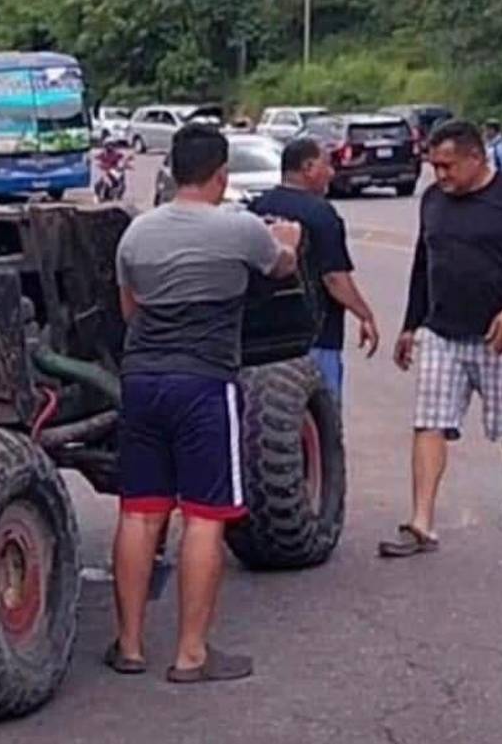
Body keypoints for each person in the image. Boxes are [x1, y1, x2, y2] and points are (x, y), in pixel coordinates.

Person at [107, 123, 301, 681]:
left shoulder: (136, 234)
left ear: (171, 169)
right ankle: (192, 653)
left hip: (141, 381)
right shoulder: (239, 229)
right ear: (221, 175)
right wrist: (289, 239)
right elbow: (280, 267)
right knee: (204, 516)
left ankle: (130, 645)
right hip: (204, 384)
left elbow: (129, 311)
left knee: (140, 512)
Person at [380, 120, 502, 557]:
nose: (440, 176)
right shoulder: (433, 201)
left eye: (448, 166)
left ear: (476, 159)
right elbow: (425, 263)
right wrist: (410, 324)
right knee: (429, 420)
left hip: (500, 335)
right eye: (434, 167)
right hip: (442, 331)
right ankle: (422, 522)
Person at [251, 138, 379, 406]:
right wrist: (364, 315)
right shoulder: (321, 214)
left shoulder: (257, 208)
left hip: (264, 339)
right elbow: (334, 278)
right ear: (308, 167)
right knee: (322, 418)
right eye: (327, 165)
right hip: (317, 336)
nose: (331, 173)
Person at [94, 138, 130, 203]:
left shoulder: (117, 154)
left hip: (114, 172)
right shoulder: (102, 154)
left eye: (112, 145)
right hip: (107, 172)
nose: (111, 147)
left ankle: (118, 196)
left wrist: (122, 164)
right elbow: (97, 161)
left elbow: (123, 161)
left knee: (121, 184)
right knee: (99, 183)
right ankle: (98, 196)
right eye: (109, 145)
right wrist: (102, 167)